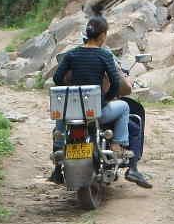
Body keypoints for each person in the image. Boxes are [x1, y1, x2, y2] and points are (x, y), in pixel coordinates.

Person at [50, 15, 152, 188]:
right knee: (125, 107)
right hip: (97, 112)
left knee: (62, 117)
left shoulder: (71, 55)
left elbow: (57, 78)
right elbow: (115, 82)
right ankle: (118, 144)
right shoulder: (104, 55)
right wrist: (107, 98)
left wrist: (71, 92)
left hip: (73, 113)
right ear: (103, 35)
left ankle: (58, 164)